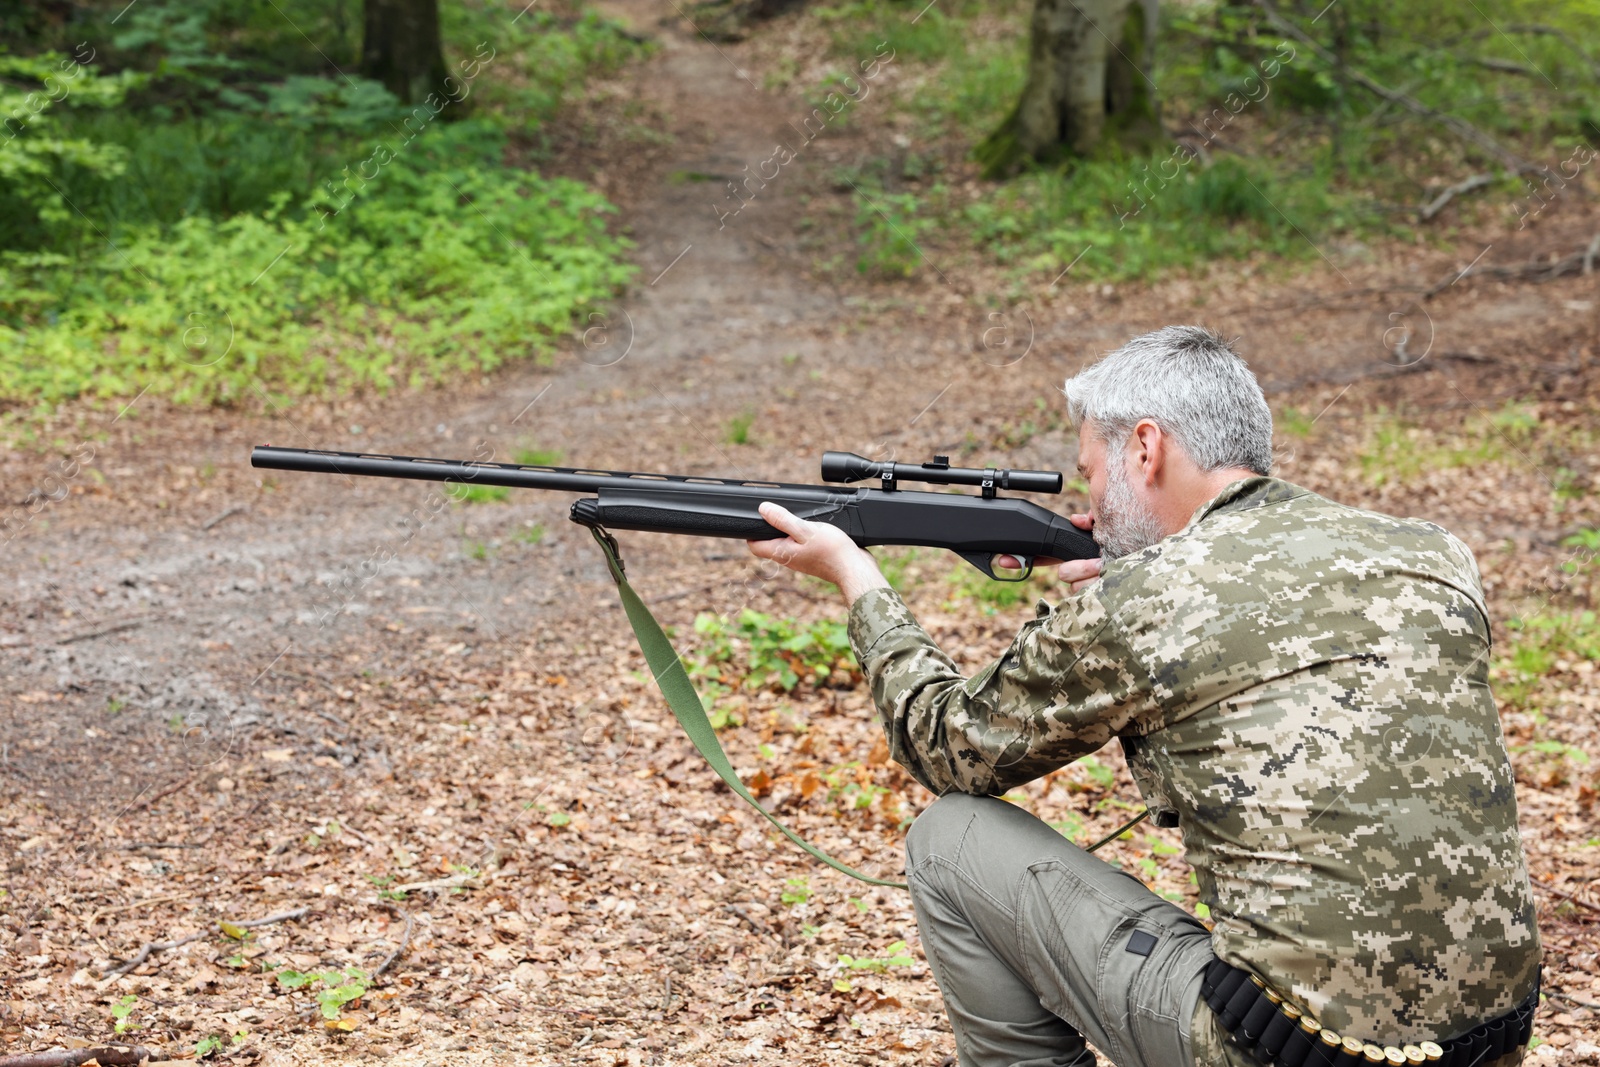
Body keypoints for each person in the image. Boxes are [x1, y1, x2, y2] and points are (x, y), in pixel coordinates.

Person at [746, 325, 1541, 1067]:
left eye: (1092, 468)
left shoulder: (1144, 601)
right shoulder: (1432, 553)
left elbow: (946, 746)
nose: (1089, 501)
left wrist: (859, 578)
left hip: (1281, 1050)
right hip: (1488, 1042)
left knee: (951, 838)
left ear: (1146, 448)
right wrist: (1128, 588)